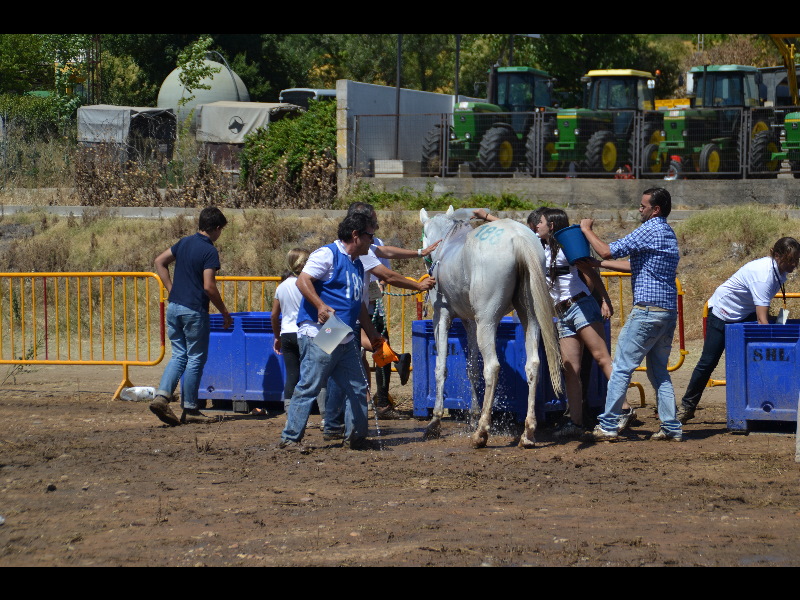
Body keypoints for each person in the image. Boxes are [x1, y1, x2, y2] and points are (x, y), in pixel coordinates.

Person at [280, 213, 403, 451]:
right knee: (310, 385)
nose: (373, 240)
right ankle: (290, 438)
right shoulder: (327, 254)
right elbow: (302, 281)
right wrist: (320, 306)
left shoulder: (358, 263)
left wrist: (373, 334)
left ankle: (356, 438)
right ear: (355, 235)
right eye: (370, 235)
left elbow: (357, 307)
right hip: (323, 331)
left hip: (342, 332)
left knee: (357, 388)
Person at [580, 187, 683, 442]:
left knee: (622, 368)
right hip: (667, 312)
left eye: (642, 206)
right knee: (658, 372)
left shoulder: (650, 228)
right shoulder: (667, 232)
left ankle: (608, 424)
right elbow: (633, 265)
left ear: (655, 209)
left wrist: (586, 230)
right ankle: (671, 427)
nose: (639, 209)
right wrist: (598, 265)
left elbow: (606, 250)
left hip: (647, 311)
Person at [677, 237, 800, 424]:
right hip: (722, 313)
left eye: (797, 260)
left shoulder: (779, 270)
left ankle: (762, 403)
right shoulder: (764, 276)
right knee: (708, 363)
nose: (794, 265)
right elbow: (762, 320)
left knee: (781, 328)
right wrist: (770, 352)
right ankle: (686, 407)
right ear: (777, 255)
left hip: (744, 313)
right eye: (790, 260)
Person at [536, 208, 620, 438]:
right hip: (562, 313)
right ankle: (576, 422)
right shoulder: (540, 246)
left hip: (580, 306)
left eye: (540, 222)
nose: (536, 226)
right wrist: (485, 217)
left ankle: (624, 409)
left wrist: (604, 300)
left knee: (602, 358)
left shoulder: (568, 246)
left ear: (551, 225)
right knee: (570, 368)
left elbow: (590, 273)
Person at [149, 206, 233, 427]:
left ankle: (162, 397)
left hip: (174, 307)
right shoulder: (209, 251)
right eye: (221, 230)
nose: (220, 234)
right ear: (215, 228)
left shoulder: (184, 242)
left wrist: (171, 289)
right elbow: (209, 286)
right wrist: (224, 312)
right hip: (194, 310)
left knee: (179, 355)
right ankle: (191, 408)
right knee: (195, 358)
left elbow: (159, 261)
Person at [271, 248, 327, 419]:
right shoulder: (310, 284)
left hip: (287, 333)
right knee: (318, 374)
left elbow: (274, 315)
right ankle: (325, 414)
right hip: (307, 332)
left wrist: (277, 336)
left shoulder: (281, 287)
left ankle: (291, 413)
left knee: (292, 374)